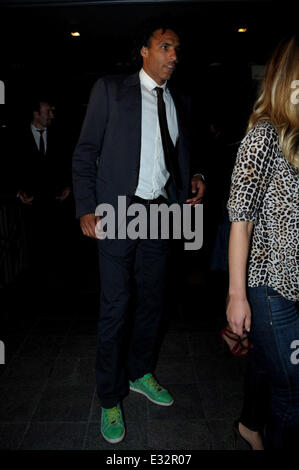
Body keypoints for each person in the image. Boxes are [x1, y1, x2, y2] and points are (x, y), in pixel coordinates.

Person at [72, 19, 205, 444]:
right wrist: (86, 208)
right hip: (116, 213)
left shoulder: (178, 100)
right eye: (166, 47)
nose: (174, 56)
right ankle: (110, 397)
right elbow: (85, 152)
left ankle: (139, 372)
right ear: (145, 51)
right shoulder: (111, 90)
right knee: (116, 305)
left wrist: (195, 177)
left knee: (152, 300)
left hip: (160, 215)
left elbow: (182, 152)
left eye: (177, 49)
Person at [226, 34, 299, 449]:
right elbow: (242, 219)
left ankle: (250, 423)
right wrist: (237, 295)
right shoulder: (264, 135)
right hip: (270, 285)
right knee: (293, 392)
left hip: (294, 281)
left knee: (265, 363)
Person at [17, 98, 72, 299]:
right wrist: (18, 192)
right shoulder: (19, 137)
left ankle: (59, 290)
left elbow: (68, 162)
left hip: (56, 201)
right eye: (48, 112)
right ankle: (37, 292)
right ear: (35, 114)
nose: (51, 115)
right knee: (34, 247)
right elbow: (9, 166)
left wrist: (68, 186)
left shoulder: (60, 135)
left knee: (58, 246)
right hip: (31, 204)